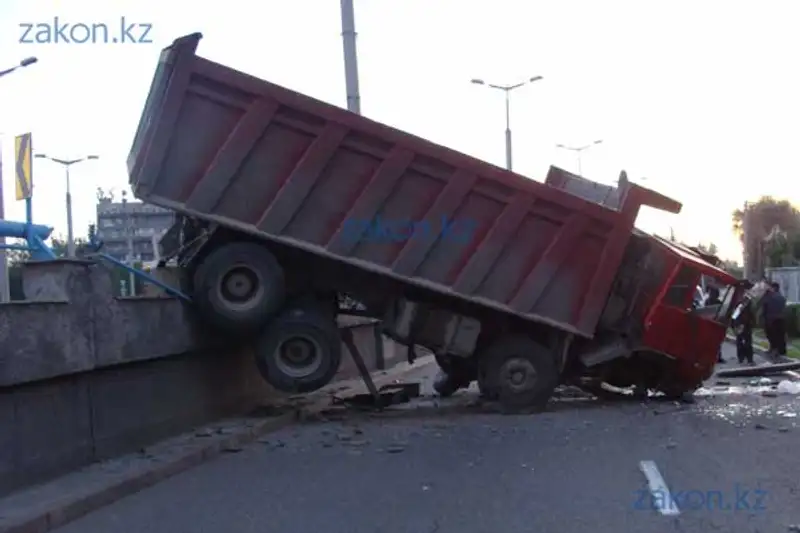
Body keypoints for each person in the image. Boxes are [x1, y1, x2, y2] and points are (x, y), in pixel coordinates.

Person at [762, 281, 787, 359]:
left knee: (772, 335)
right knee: (780, 335)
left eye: (771, 287)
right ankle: (780, 350)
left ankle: (774, 349)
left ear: (774, 288)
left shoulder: (770, 296)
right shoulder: (781, 297)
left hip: (771, 319)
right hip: (780, 318)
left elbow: (764, 305)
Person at [705, 286, 725, 363]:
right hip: (711, 323)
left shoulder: (717, 302)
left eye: (712, 293)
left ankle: (717, 356)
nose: (711, 294)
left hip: (715, 323)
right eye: (711, 293)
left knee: (716, 342)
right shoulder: (708, 301)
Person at [732, 298, 755, 365]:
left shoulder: (745, 308)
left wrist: (734, 326)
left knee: (744, 343)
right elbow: (734, 318)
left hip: (744, 326)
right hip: (742, 326)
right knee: (743, 343)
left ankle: (745, 359)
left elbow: (734, 318)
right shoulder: (743, 307)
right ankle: (746, 359)